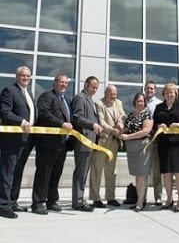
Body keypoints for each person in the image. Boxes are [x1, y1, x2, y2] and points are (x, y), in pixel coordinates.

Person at [31, 73, 72, 215]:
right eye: (61, 82)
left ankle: (52, 200)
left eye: (66, 83)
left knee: (56, 173)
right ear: (55, 83)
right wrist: (61, 123)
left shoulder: (66, 99)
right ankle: (38, 202)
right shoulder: (47, 97)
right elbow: (44, 114)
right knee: (44, 173)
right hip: (47, 143)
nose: (64, 85)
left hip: (62, 144)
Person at [0, 66, 36, 219]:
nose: (25, 78)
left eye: (28, 76)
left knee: (17, 173)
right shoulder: (9, 91)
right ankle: (3, 205)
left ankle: (13, 201)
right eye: (23, 75)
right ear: (17, 76)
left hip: (26, 140)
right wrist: (21, 121)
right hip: (12, 140)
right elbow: (4, 112)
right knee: (7, 173)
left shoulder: (29, 93)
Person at [153, 83, 179, 212]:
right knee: (166, 173)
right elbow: (153, 124)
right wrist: (159, 126)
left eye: (172, 92)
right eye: (167, 92)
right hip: (164, 144)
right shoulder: (159, 107)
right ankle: (169, 199)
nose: (169, 94)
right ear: (163, 94)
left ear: (176, 94)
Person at [89, 84, 126, 208]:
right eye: (111, 94)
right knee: (97, 170)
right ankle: (95, 198)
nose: (113, 97)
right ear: (106, 93)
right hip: (102, 142)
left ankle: (110, 197)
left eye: (115, 94)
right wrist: (113, 130)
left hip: (114, 143)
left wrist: (120, 123)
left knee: (111, 172)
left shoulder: (118, 102)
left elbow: (122, 114)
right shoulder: (99, 104)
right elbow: (101, 122)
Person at [71, 76, 103, 212]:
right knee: (81, 173)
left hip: (90, 142)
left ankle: (80, 199)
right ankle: (78, 202)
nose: (94, 90)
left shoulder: (90, 100)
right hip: (83, 141)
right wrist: (92, 124)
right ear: (86, 85)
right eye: (92, 87)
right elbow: (77, 117)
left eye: (96, 88)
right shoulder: (80, 98)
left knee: (84, 173)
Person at [119, 92, 153, 212]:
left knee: (141, 175)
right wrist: (119, 129)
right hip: (131, 148)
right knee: (137, 175)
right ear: (135, 102)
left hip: (142, 147)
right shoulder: (131, 115)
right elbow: (126, 128)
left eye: (142, 101)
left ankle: (140, 202)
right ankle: (140, 199)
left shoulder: (147, 115)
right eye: (138, 101)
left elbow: (145, 131)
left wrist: (128, 137)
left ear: (145, 103)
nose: (140, 103)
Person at [144, 81, 163, 206]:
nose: (149, 90)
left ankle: (158, 197)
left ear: (155, 90)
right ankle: (142, 197)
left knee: (156, 171)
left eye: (152, 88)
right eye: (147, 88)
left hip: (155, 141)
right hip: (143, 141)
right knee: (143, 171)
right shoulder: (140, 102)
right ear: (144, 89)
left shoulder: (159, 104)